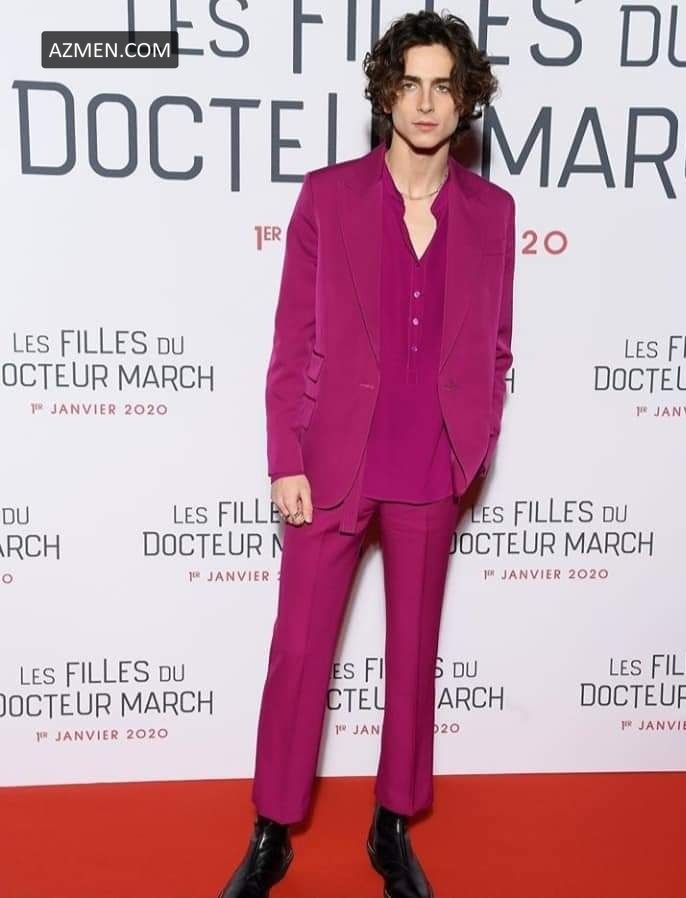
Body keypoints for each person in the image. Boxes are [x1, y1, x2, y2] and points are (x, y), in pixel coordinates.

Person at [217, 10, 516, 898]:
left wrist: (475, 444)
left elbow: (496, 344)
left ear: (465, 100)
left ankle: (393, 824)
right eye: (410, 83)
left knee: (414, 656)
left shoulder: (494, 213)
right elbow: (292, 339)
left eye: (443, 85)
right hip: (330, 467)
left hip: (433, 467)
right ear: (386, 92)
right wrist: (286, 457)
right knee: (300, 653)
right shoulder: (329, 197)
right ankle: (272, 831)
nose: (426, 102)